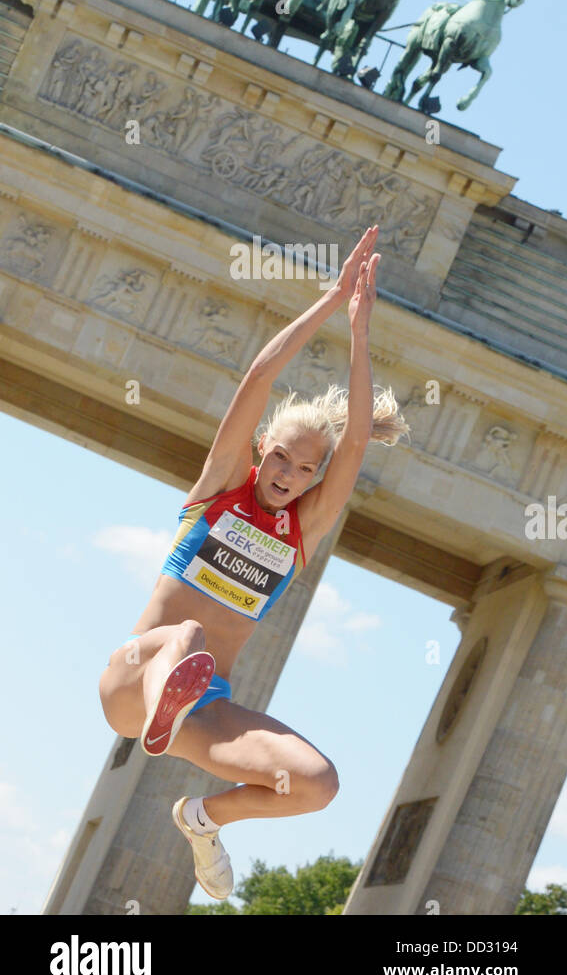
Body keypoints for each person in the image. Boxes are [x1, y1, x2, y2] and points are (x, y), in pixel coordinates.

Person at [99, 225, 408, 901]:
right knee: (186, 638)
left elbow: (356, 439)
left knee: (316, 783)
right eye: (279, 458)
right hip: (132, 678)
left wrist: (361, 333)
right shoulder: (217, 489)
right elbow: (259, 375)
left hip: (204, 709)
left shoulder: (303, 530)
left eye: (305, 470)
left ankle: (203, 819)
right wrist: (332, 301)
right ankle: (161, 706)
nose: (289, 475)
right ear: (260, 445)